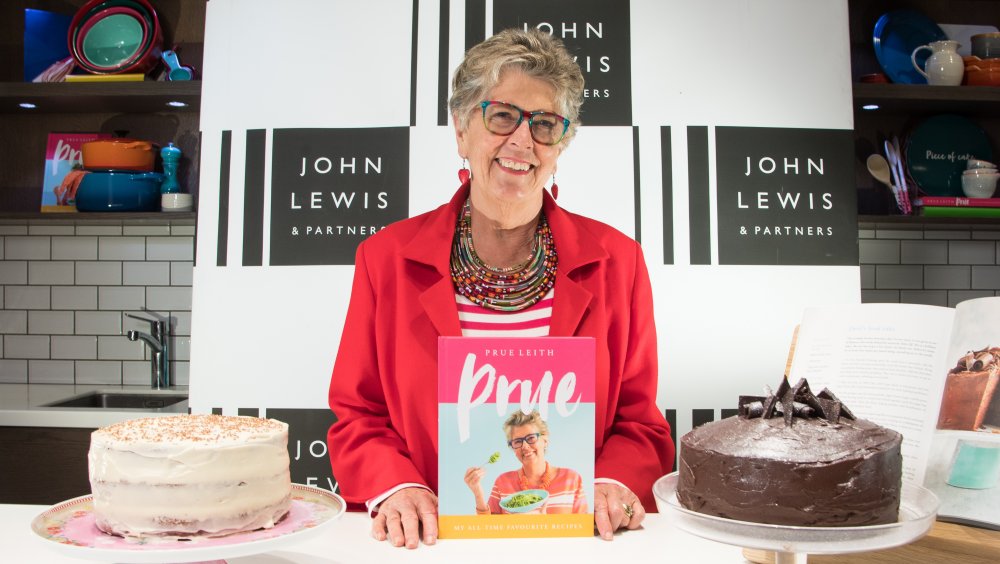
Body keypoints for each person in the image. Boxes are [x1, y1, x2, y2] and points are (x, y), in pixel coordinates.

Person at [327, 28, 674, 550]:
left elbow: (639, 422)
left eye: (544, 124)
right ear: (462, 130)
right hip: (430, 543)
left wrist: (611, 482)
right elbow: (359, 415)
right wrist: (397, 487)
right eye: (502, 116)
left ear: (561, 145)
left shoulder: (617, 261)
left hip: (572, 542)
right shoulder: (385, 259)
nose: (521, 141)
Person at [464, 410, 588, 515]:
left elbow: (581, 531)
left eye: (531, 438)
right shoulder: (502, 482)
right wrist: (478, 493)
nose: (525, 446)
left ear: (545, 440)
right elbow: (488, 531)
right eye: (517, 441)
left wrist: (546, 529)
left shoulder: (571, 479)